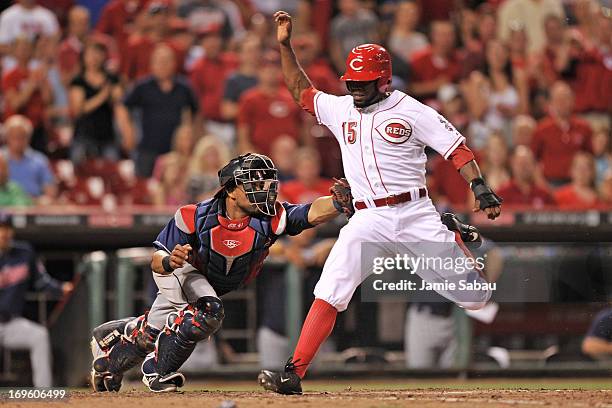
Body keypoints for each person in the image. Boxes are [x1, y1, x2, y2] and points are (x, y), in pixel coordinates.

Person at [258, 11, 502, 395]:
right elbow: (299, 90)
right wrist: (285, 46)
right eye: (351, 81)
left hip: (414, 212)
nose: (355, 88)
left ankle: (455, 235)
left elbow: (456, 148)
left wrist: (480, 187)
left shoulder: (411, 110)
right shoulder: (341, 109)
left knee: (475, 298)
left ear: (383, 80)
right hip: (367, 216)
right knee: (331, 288)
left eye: (363, 82)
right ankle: (294, 373)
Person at [89, 152, 349, 392]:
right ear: (231, 190)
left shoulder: (270, 217)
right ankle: (156, 370)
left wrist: (338, 203)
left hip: (211, 282)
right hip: (183, 271)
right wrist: (171, 260)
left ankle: (109, 360)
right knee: (208, 312)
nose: (263, 190)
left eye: (265, 183)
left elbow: (311, 213)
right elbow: (156, 259)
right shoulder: (194, 215)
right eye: (253, 184)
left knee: (149, 335)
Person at [0, 213, 73, 387]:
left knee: (39, 336)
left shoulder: (24, 253)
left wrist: (61, 288)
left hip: (11, 323)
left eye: (6, 228)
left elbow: (41, 282)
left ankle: (43, 393)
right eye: (0, 229)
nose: (3, 233)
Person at [116, 44, 199, 177]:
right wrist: (128, 132)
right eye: (159, 61)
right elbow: (122, 106)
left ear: (174, 63)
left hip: (174, 151)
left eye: (167, 61)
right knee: (144, 188)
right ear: (152, 64)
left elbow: (196, 113)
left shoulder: (184, 87)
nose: (163, 65)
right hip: (148, 149)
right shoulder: (143, 86)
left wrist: (191, 138)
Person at [69, 41, 123, 164]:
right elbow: (79, 109)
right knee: (79, 170)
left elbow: (119, 100)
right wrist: (102, 96)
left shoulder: (112, 78)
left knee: (112, 170)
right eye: (91, 54)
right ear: (84, 57)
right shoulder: (78, 81)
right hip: (83, 136)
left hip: (107, 136)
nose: (94, 58)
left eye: (98, 54)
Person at [530, 81, 593, 185]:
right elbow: (533, 161)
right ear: (551, 103)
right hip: (550, 183)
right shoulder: (541, 129)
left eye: (565, 98)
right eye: (558, 99)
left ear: (573, 101)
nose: (562, 103)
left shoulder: (584, 128)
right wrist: (542, 185)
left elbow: (590, 158)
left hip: (577, 184)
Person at [2, 36, 53, 153]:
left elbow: (48, 100)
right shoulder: (9, 76)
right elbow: (16, 103)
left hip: (38, 127)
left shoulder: (38, 73)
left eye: (27, 48)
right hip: (17, 130)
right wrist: (32, 84)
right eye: (21, 48)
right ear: (14, 51)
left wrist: (43, 83)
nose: (25, 51)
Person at [1, 115, 57, 204]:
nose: (17, 141)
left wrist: (38, 201)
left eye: (22, 136)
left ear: (29, 138)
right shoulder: (1, 159)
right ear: (6, 137)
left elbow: (50, 193)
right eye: (14, 136)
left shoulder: (40, 160)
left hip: (33, 207)